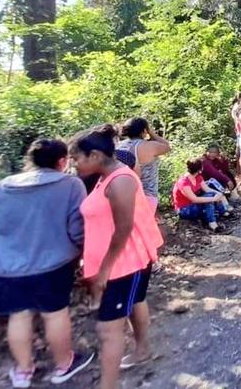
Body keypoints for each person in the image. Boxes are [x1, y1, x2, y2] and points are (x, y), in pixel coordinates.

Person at [0, 139, 93, 388]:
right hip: (53, 266)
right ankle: (63, 365)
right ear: (62, 161)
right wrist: (82, 256)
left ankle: (24, 371)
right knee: (55, 314)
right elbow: (78, 230)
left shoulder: (5, 186)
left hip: (6, 268)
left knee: (19, 316)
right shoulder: (71, 185)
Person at [69, 125, 163, 389]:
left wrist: (103, 272)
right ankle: (142, 350)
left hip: (124, 265)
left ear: (96, 155)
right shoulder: (103, 177)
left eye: (78, 158)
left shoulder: (120, 180)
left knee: (107, 330)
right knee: (135, 303)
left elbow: (123, 230)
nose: (74, 165)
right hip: (118, 264)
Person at [116, 118, 170, 212]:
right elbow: (167, 147)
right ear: (144, 130)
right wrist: (151, 133)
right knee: (144, 226)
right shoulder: (149, 146)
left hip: (122, 194)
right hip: (146, 195)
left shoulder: (118, 145)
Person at [172, 160, 230, 232]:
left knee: (212, 194)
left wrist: (219, 194)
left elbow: (207, 189)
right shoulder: (184, 182)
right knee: (209, 198)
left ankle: (223, 212)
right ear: (200, 170)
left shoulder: (198, 177)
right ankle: (213, 222)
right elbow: (194, 199)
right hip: (185, 209)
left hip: (194, 205)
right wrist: (213, 199)